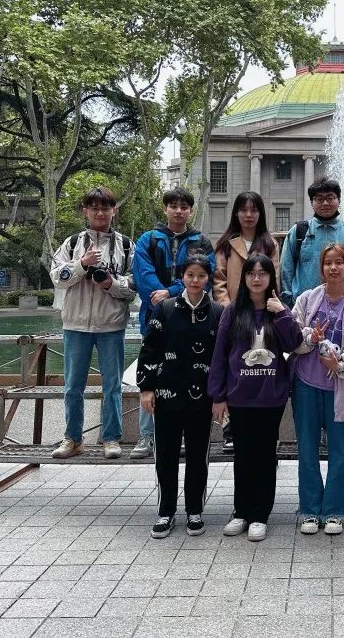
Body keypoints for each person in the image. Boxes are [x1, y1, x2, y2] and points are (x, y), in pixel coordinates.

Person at [209, 253, 303, 542]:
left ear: (270, 277)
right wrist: (218, 396)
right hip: (240, 396)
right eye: (252, 273)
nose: (257, 278)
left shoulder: (278, 309)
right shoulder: (233, 311)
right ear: (245, 277)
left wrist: (282, 313)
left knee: (264, 456)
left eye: (263, 273)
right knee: (243, 456)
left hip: (270, 397)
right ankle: (241, 511)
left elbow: (295, 343)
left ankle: (260, 514)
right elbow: (220, 355)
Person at [136, 256, 222, 539]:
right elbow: (150, 348)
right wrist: (146, 388)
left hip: (202, 398)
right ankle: (166, 512)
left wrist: (220, 395)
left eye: (201, 275)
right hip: (167, 395)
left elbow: (222, 357)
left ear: (208, 278)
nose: (195, 280)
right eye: (190, 275)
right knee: (166, 456)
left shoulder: (217, 312)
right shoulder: (165, 308)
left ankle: (195, 511)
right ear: (182, 277)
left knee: (198, 456)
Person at [49, 186, 136, 459]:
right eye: (94, 208)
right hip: (75, 324)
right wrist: (82, 264)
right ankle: (72, 439)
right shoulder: (72, 243)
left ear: (114, 211)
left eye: (105, 208)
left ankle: (111, 438)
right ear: (85, 211)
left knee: (112, 385)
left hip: (111, 324)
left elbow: (134, 285)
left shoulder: (126, 246)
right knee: (73, 386)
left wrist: (111, 283)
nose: (100, 213)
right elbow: (57, 277)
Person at [132, 187, 216, 459]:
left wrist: (170, 292)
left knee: (185, 371)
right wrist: (161, 297)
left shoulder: (201, 242)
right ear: (165, 208)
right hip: (154, 316)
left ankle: (179, 435)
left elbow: (205, 275)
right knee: (151, 369)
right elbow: (142, 273)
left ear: (191, 210)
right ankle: (146, 435)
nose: (179, 211)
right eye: (173, 206)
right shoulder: (148, 239)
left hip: (191, 318)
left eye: (184, 207)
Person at [289, 244, 344, 536]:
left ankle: (334, 510)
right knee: (307, 448)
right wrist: (311, 337)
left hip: (339, 387)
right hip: (306, 385)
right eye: (328, 263)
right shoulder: (307, 300)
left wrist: (340, 364)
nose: (333, 268)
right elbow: (292, 335)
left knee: (340, 451)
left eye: (339, 263)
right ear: (321, 268)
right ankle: (310, 509)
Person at [212, 191, 281, 454]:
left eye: (254, 210)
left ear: (261, 213)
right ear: (236, 213)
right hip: (234, 317)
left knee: (260, 367)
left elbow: (275, 278)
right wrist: (229, 309)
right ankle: (230, 430)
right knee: (234, 366)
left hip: (263, 315)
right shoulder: (226, 244)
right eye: (244, 210)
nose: (249, 215)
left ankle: (267, 436)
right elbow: (219, 280)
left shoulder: (269, 244)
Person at [279, 177, 344, 308]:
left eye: (330, 198)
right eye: (319, 199)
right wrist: (289, 302)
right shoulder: (299, 231)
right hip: (303, 307)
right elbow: (286, 269)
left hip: (342, 308)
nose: (325, 203)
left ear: (339, 200)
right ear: (312, 202)